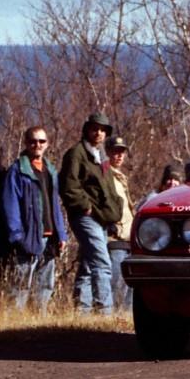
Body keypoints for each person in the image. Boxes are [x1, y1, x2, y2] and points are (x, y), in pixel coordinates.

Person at [60, 112, 123, 315]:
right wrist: (85, 207)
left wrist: (114, 213)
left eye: (103, 130)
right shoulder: (75, 153)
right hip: (86, 216)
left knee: (89, 263)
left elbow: (108, 189)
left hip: (101, 218)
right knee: (102, 262)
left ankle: (82, 311)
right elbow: (69, 186)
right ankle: (105, 310)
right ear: (87, 129)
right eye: (95, 128)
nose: (98, 133)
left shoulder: (102, 156)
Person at [3, 126, 68, 314]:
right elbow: (10, 204)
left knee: (46, 283)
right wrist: (17, 236)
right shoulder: (17, 170)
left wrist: (61, 234)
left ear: (47, 144)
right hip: (28, 235)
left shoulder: (50, 169)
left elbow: (55, 204)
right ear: (26, 143)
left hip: (50, 235)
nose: (37, 145)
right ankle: (13, 322)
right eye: (33, 141)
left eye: (41, 141)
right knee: (21, 282)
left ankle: (40, 320)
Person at [105, 136, 134, 312]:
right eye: (115, 151)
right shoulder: (105, 174)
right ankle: (112, 316)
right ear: (107, 152)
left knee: (128, 284)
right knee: (115, 283)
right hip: (114, 239)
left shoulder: (120, 177)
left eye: (122, 152)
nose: (119, 155)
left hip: (127, 239)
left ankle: (124, 317)